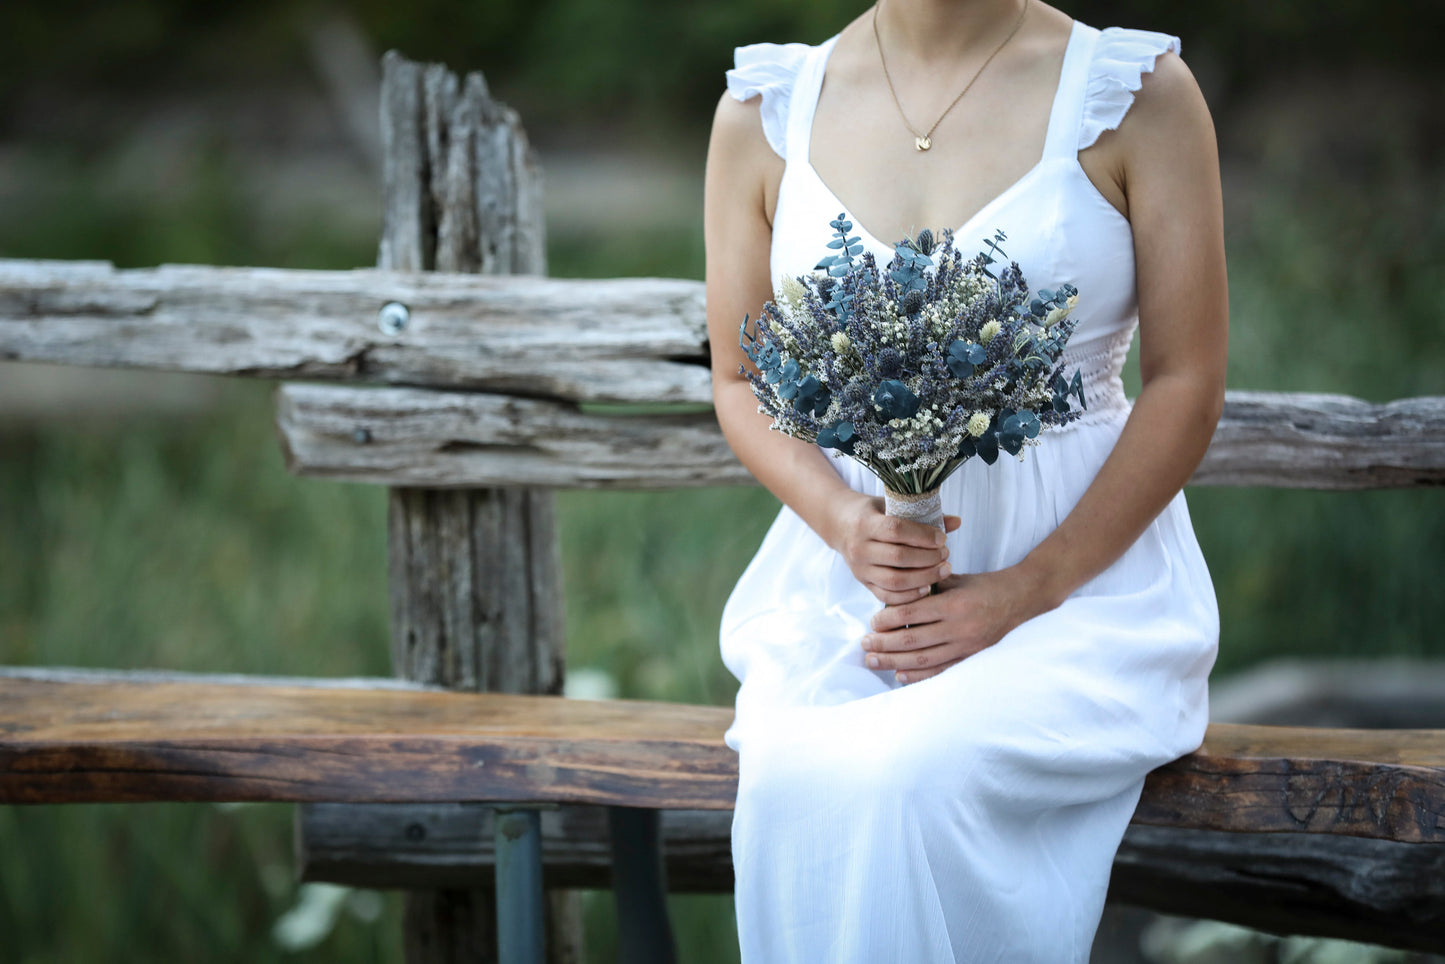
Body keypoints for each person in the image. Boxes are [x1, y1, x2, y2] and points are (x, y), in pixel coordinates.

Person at [702, 0, 1227, 959]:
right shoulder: (767, 108)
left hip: (1085, 593)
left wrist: (1028, 590)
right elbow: (740, 378)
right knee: (793, 773)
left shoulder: (1133, 95)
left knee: (910, 768)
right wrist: (843, 520)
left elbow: (1187, 382)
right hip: (849, 595)